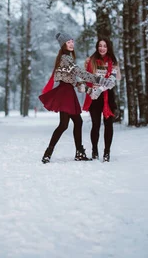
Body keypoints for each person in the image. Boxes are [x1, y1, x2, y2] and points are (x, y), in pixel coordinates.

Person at [39, 32, 115, 164]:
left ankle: (79, 152)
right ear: (63, 45)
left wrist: (86, 88)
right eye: (68, 42)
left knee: (77, 122)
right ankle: (48, 153)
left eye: (72, 41)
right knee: (63, 125)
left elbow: (72, 79)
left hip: (68, 91)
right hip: (65, 93)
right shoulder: (65, 58)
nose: (71, 44)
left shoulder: (67, 58)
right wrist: (100, 79)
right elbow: (79, 72)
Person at [82, 37, 121, 162]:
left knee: (109, 125)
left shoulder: (113, 62)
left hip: (108, 97)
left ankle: (107, 152)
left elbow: (112, 81)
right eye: (100, 46)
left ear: (108, 47)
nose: (102, 48)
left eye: (104, 46)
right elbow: (88, 78)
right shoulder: (91, 61)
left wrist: (100, 89)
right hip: (94, 97)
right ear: (97, 47)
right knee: (96, 125)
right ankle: (94, 150)